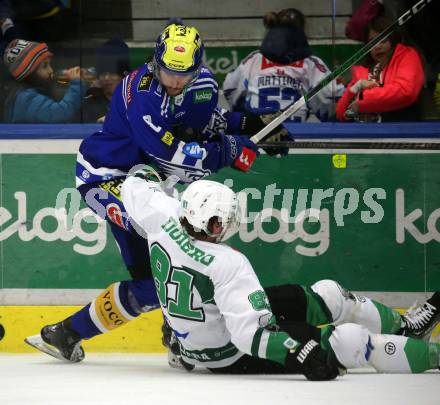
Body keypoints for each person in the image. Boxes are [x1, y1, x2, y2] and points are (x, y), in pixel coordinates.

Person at [25, 169, 440, 380]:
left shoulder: (159, 215)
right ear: (216, 225)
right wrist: (294, 351)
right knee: (348, 343)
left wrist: (143, 177)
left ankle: (407, 326)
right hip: (226, 353)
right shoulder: (228, 263)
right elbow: (249, 337)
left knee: (327, 295)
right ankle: (434, 356)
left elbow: (136, 182)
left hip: (201, 328)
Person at [75, 23, 287, 288]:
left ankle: (174, 325)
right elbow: (174, 160)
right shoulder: (143, 97)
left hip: (148, 180)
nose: (175, 81)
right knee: (170, 250)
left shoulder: (204, 84)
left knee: (164, 278)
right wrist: (230, 150)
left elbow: (202, 122)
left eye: (183, 73)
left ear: (196, 69)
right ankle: (65, 330)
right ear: (156, 62)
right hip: (104, 178)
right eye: (168, 71)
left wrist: (251, 123)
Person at [223, 8, 345, 125]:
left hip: (255, 136)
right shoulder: (310, 63)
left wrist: (243, 117)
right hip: (297, 137)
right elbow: (330, 100)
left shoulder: (254, 59)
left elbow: (230, 88)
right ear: (302, 31)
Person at [336, 15, 425, 122]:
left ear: (393, 40)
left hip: (401, 131)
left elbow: (405, 92)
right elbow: (343, 114)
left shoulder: (407, 56)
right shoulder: (362, 70)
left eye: (383, 41)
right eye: (372, 42)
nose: (377, 47)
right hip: (366, 135)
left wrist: (361, 101)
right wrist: (354, 88)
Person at [2, 38, 91, 122]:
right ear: (30, 74)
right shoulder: (27, 99)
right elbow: (61, 113)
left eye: (49, 64)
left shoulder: (24, 95)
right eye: (45, 66)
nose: (51, 70)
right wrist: (76, 84)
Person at [82, 38, 130, 123]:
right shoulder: (91, 103)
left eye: (112, 73)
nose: (107, 78)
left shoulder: (135, 101)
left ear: (124, 76)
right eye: (103, 73)